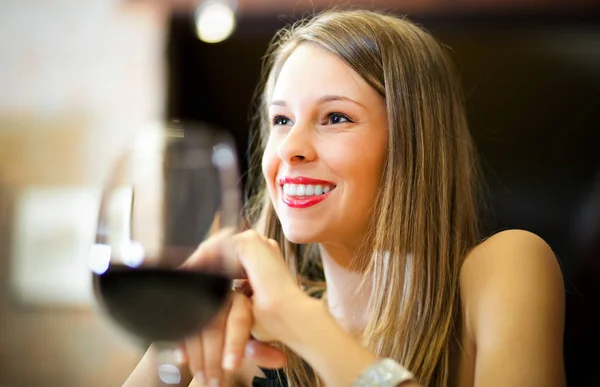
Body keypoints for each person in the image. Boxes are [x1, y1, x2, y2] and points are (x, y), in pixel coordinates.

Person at [125, 9, 566, 387]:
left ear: (413, 144)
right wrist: (176, 332)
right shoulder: (249, 341)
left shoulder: (505, 270)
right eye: (281, 119)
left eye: (335, 117)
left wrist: (302, 321)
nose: (290, 148)